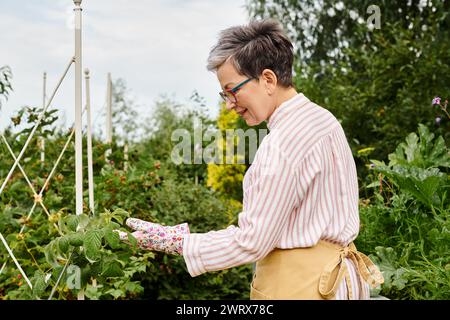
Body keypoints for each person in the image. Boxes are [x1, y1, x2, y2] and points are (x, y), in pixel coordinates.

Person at [117, 19, 384, 300]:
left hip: (300, 286)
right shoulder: (324, 121)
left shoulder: (281, 144)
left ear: (267, 79)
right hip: (343, 284)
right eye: (224, 95)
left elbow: (252, 241)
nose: (230, 104)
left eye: (233, 90)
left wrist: (177, 242)